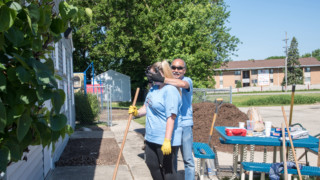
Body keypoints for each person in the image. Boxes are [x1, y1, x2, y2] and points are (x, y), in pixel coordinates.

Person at [128, 60, 183, 180]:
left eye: (154, 75)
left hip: (164, 138)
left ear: (163, 73)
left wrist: (167, 140)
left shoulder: (170, 90)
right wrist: (136, 112)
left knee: (167, 170)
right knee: (152, 165)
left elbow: (171, 117)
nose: (152, 78)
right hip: (150, 137)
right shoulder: (153, 90)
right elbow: (146, 107)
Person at [147, 58, 195, 180]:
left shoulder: (185, 80)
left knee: (187, 158)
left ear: (184, 70)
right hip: (173, 125)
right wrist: (152, 79)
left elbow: (182, 85)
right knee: (170, 160)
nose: (176, 70)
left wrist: (162, 78)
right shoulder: (167, 84)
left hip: (184, 123)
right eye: (173, 67)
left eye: (179, 68)